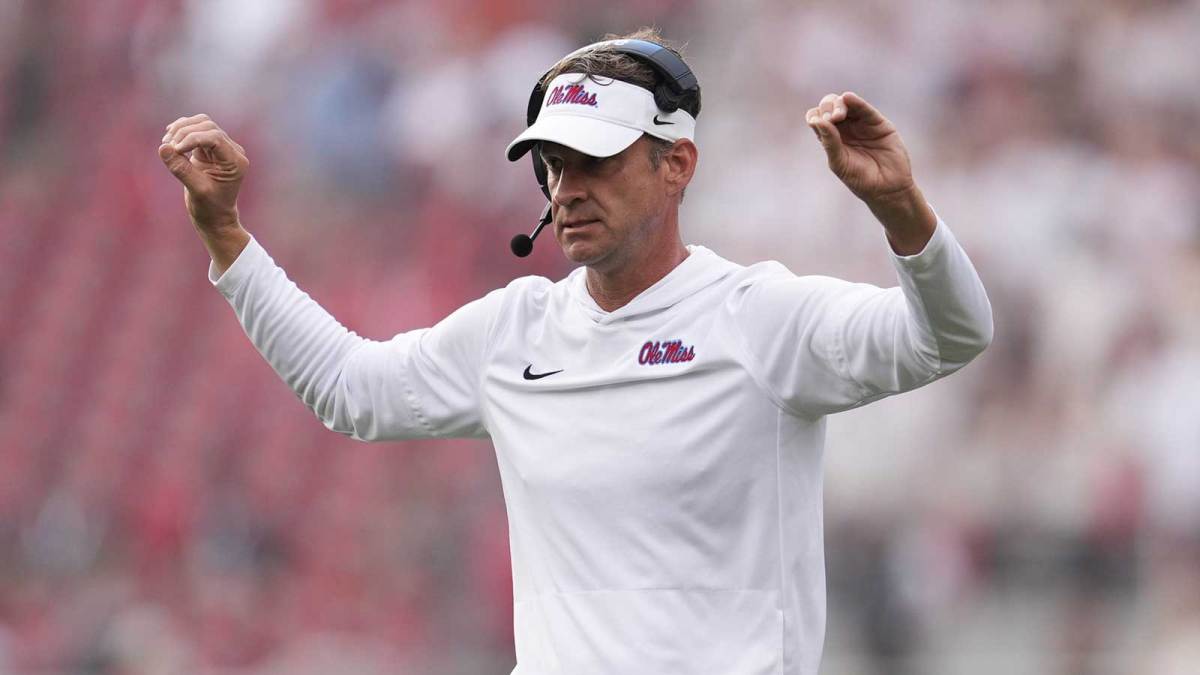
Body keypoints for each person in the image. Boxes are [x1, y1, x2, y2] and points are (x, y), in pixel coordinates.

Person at [157, 29, 991, 675]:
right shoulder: (513, 330)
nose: (567, 188)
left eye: (596, 161)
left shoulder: (759, 316)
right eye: (553, 164)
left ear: (678, 165)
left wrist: (903, 212)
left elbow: (950, 335)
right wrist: (229, 238)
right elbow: (351, 387)